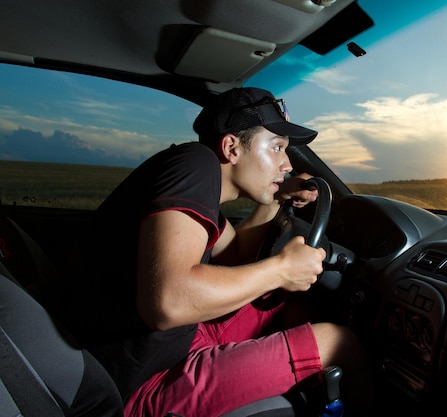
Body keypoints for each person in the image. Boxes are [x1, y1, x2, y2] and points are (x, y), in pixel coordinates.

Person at [59, 87, 372, 417]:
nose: (287, 163)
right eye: (277, 147)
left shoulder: (193, 178)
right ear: (232, 148)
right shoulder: (194, 165)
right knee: (341, 344)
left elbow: (235, 254)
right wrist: (281, 269)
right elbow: (169, 302)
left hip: (169, 346)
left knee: (284, 299)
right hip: (140, 385)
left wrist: (276, 198)